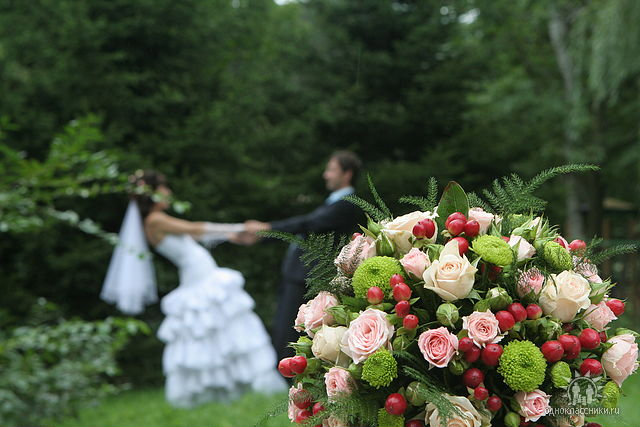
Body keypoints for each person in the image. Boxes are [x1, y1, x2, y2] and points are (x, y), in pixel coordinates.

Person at [101, 170, 286, 407]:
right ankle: (221, 389)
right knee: (211, 330)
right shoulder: (155, 220)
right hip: (199, 278)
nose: (168, 192)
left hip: (202, 274)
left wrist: (230, 236)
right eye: (163, 187)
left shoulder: (157, 219)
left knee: (221, 330)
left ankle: (233, 390)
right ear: (152, 193)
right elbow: (195, 229)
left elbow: (194, 236)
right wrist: (239, 227)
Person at [244, 151, 363, 362]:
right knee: (284, 327)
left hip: (305, 277)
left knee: (289, 330)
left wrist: (266, 229)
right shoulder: (334, 202)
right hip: (297, 275)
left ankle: (286, 374)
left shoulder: (347, 204)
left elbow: (308, 223)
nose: (326, 175)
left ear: (347, 174)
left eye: (331, 170)